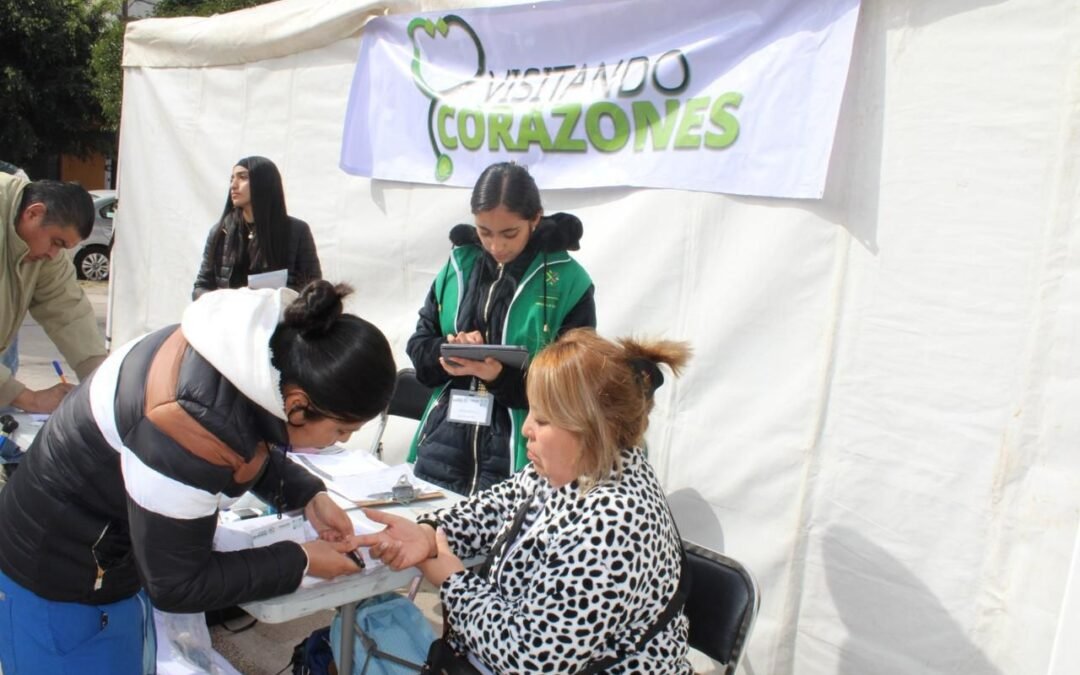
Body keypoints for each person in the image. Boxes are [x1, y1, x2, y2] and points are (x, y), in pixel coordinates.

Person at [0, 280, 396, 673]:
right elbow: (177, 584)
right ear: (297, 405)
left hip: (103, 558)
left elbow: (245, 435)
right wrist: (302, 559)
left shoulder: (247, 360)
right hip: (57, 579)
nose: (336, 443)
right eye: (341, 431)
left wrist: (308, 495)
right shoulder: (181, 421)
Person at [361, 328, 692, 674]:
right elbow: (487, 512)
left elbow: (531, 660)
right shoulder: (567, 471)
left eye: (542, 419)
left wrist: (453, 583)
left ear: (594, 430)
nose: (525, 429)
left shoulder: (616, 520)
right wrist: (429, 532)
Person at [406, 162, 596, 495]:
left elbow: (573, 383)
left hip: (519, 459)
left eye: (509, 233)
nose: (496, 246)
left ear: (535, 219)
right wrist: (445, 354)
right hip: (440, 447)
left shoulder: (568, 281)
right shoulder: (457, 266)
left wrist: (500, 378)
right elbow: (419, 345)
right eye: (484, 232)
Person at [0, 172, 106, 413]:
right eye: (56, 242)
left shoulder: (42, 247)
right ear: (33, 213)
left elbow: (67, 309)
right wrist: (29, 399)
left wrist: (102, 383)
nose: (53, 254)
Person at [192, 156, 322, 299]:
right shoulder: (220, 232)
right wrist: (218, 302)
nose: (233, 185)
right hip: (228, 316)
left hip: (278, 317)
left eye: (242, 177)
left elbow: (313, 288)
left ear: (264, 182)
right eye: (232, 179)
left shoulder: (297, 231)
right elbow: (201, 286)